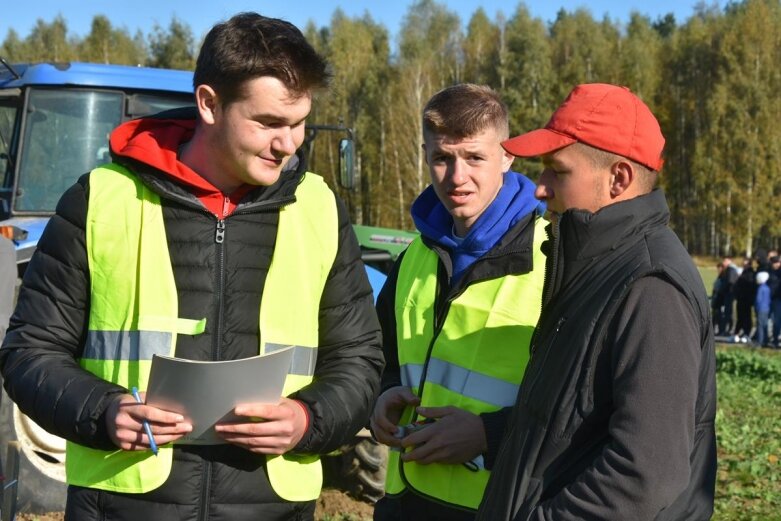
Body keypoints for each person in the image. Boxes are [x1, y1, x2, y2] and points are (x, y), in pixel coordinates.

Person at [0, 12, 383, 521]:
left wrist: (307, 418)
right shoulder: (100, 201)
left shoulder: (319, 210)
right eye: (269, 123)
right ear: (209, 103)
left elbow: (359, 359)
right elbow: (29, 353)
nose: (289, 144)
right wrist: (104, 411)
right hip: (120, 505)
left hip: (272, 507)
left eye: (299, 123)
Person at [477, 83, 717, 520]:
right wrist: (489, 434)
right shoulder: (596, 269)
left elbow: (644, 473)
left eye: (557, 171)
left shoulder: (650, 287)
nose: (539, 188)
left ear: (618, 178)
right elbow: (574, 421)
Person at [370, 84, 547, 521]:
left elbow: (578, 401)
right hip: (405, 502)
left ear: (507, 156)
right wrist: (381, 394)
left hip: (503, 505)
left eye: (474, 157)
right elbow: (380, 356)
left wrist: (490, 434)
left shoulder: (554, 258)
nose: (456, 177)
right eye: (442, 158)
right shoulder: (413, 256)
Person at [733, 256, 756, 343]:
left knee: (746, 317)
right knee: (740, 317)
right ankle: (737, 333)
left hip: (746, 299)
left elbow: (749, 286)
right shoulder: (743, 272)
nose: (744, 263)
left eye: (745, 261)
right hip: (740, 298)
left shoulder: (750, 273)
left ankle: (746, 334)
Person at [754, 271, 771, 347]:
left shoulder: (760, 288)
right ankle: (765, 340)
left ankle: (760, 341)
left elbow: (758, 299)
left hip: (760, 309)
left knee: (760, 325)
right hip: (766, 308)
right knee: (765, 325)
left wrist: (756, 308)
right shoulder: (767, 288)